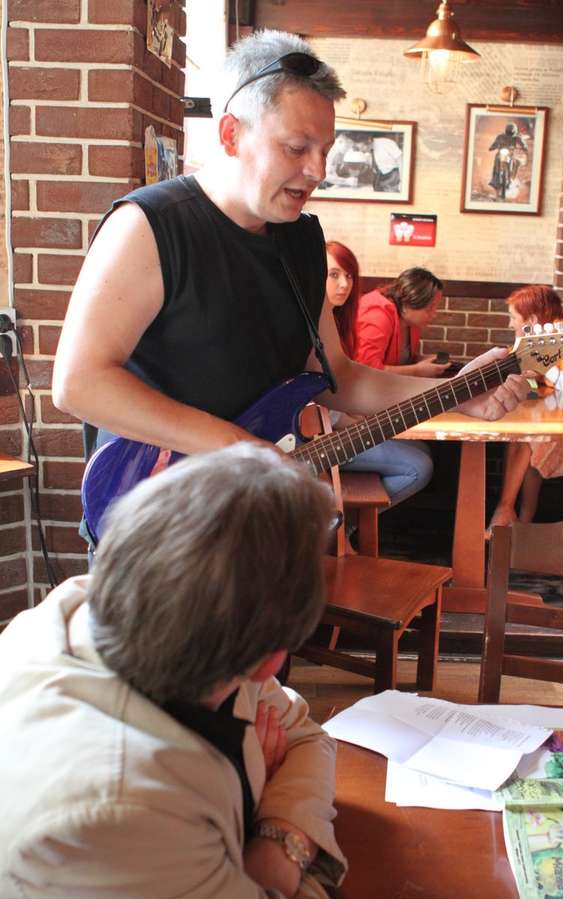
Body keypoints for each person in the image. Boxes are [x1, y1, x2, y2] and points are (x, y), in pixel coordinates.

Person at [51, 28, 528, 543]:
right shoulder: (150, 226)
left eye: (326, 150)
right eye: (297, 147)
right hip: (155, 521)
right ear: (231, 134)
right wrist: (239, 448)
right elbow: (79, 383)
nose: (318, 170)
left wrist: (456, 394)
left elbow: (337, 378)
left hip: (254, 521)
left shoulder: (301, 240)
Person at [0, 443, 347, 899]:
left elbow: (309, 739)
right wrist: (272, 832)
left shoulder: (133, 605)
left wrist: (279, 839)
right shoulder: (112, 817)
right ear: (273, 661)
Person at [325, 240, 433, 508]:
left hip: (343, 421)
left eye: (349, 276)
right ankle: (346, 522)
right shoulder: (375, 312)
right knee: (419, 466)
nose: (344, 285)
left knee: (422, 447)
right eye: (333, 275)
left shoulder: (337, 320)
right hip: (317, 437)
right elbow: (311, 389)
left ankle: (354, 521)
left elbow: (348, 379)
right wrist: (349, 419)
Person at [487, 284, 563, 533]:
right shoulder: (541, 342)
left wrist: (545, 366)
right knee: (525, 442)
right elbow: (533, 382)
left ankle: (506, 513)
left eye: (513, 318)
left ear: (532, 320)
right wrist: (527, 375)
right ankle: (520, 522)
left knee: (530, 443)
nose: (510, 324)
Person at [352, 267, 452, 377]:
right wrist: (417, 370)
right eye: (430, 308)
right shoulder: (377, 315)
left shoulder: (411, 320)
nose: (434, 314)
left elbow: (399, 360)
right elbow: (366, 370)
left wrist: (422, 360)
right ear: (408, 302)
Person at [488, 122, 528, 201]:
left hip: (510, 155)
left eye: (511, 132)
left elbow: (523, 144)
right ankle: (494, 180)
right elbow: (495, 143)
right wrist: (492, 147)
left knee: (516, 162)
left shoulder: (517, 138)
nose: (509, 134)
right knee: (496, 161)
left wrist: (524, 147)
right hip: (501, 153)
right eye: (508, 132)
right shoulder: (500, 136)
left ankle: (512, 178)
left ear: (514, 132)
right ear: (506, 130)